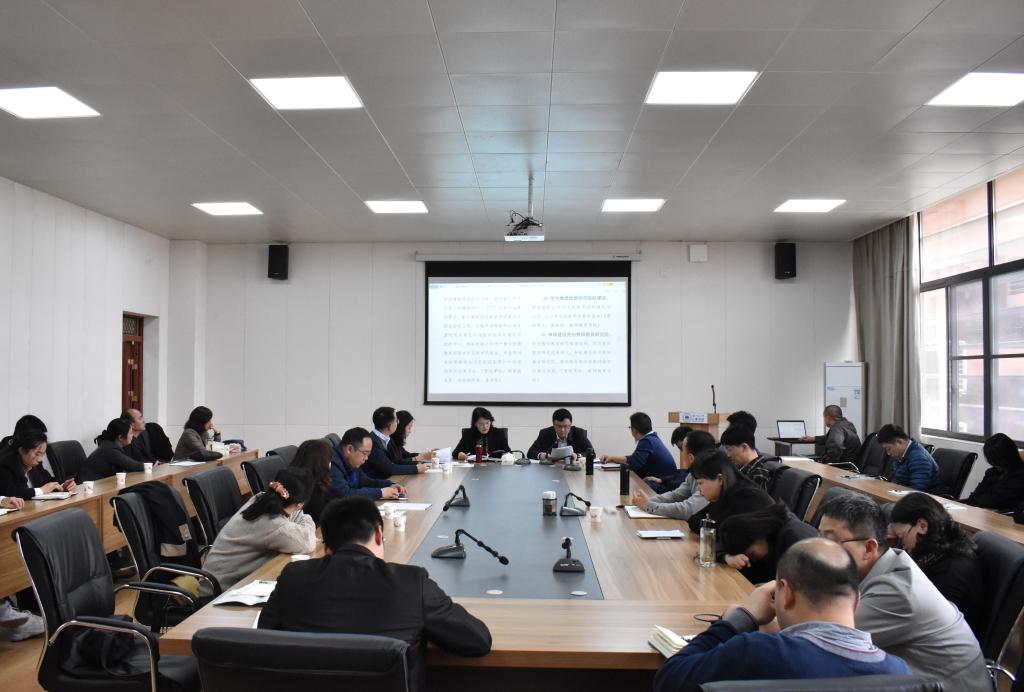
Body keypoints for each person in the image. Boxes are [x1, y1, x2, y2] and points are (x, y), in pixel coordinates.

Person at [260, 496, 491, 689]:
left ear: (326, 547)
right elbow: (477, 640)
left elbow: (265, 638)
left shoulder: (293, 577)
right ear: (379, 534)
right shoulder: (411, 582)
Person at [653, 538, 911, 691]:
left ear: (785, 594)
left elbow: (669, 679)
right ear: (856, 602)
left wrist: (740, 618)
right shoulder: (900, 674)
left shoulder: (756, 652)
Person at [818, 493, 988, 691]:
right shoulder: (887, 564)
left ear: (869, 548)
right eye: (818, 537)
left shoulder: (898, 592)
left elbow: (822, 641)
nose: (819, 549)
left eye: (831, 541)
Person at [203, 468, 316, 590]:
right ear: (300, 504)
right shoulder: (275, 525)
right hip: (219, 590)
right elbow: (308, 542)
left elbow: (295, 515)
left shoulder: (261, 499)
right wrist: (307, 520)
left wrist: (299, 517)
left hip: (216, 577)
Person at [888, 492, 984, 632]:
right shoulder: (938, 550)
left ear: (922, 526)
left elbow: (931, 622)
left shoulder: (951, 569)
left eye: (902, 537)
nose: (904, 545)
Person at [686, 449, 775, 540]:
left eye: (700, 483)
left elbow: (727, 534)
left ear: (720, 479)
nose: (699, 489)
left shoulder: (747, 497)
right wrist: (710, 526)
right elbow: (694, 519)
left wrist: (709, 526)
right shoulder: (724, 494)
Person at [720, 502, 818, 584]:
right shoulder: (770, 542)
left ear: (758, 534)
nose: (751, 561)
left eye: (752, 555)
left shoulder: (797, 540)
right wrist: (726, 557)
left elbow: (805, 586)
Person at [632, 430, 716, 520]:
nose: (681, 453)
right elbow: (676, 496)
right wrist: (646, 500)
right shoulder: (693, 473)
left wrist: (649, 505)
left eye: (682, 450)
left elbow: (688, 510)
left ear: (691, 458)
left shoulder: (711, 476)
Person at [329, 427, 404, 500]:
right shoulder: (332, 463)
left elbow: (365, 481)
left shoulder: (351, 461)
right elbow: (344, 494)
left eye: (368, 454)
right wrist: (381, 493)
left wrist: (389, 484)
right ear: (349, 449)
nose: (366, 458)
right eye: (365, 453)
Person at [600, 412, 677, 482]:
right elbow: (635, 459)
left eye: (630, 428)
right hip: (666, 481)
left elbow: (634, 463)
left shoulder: (647, 441)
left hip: (663, 484)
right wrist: (612, 458)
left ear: (634, 430)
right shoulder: (652, 438)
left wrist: (613, 458)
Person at [0, 429, 76, 500]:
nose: (40, 459)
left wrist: (62, 486)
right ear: (22, 450)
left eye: (42, 454)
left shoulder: (35, 463)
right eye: (37, 454)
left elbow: (47, 481)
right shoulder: (5, 465)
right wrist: (41, 490)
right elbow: (10, 493)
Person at [965, 432, 1024, 511]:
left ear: (1008, 455)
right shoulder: (992, 472)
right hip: (983, 512)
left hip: (1003, 515)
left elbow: (996, 500)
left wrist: (979, 500)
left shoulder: (1019, 475)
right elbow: (975, 496)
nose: (994, 464)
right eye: (991, 460)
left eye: (997, 460)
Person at [365, 406, 428, 479]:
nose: (397, 424)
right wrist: (416, 468)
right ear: (389, 425)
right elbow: (390, 468)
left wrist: (421, 463)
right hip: (376, 482)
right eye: (396, 421)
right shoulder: (372, 442)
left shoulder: (387, 438)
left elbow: (397, 462)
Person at [877, 424, 940, 492]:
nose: (888, 453)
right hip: (903, 493)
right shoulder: (901, 454)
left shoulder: (918, 458)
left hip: (924, 497)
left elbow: (917, 490)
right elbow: (897, 480)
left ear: (899, 442)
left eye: (889, 449)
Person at [288, 438, 336, 525]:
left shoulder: (292, 479)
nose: (330, 464)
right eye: (329, 460)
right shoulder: (313, 492)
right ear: (321, 464)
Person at [81, 418, 145, 482]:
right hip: (88, 486)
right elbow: (136, 466)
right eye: (130, 433)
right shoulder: (110, 450)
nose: (132, 435)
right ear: (120, 437)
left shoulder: (108, 445)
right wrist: (149, 466)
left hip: (99, 484)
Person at [720, 424, 777, 492]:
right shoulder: (743, 468)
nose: (728, 455)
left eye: (729, 450)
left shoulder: (758, 474)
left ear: (744, 447)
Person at [527, 408, 593, 461]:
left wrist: (578, 455)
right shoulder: (545, 433)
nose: (562, 430)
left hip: (573, 469)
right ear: (553, 424)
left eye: (566, 426)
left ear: (570, 424)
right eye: (559, 426)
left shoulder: (579, 433)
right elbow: (530, 452)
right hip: (551, 470)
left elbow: (592, 453)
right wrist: (541, 455)